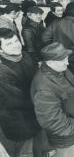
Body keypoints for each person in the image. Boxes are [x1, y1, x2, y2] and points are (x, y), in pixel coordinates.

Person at [31, 42, 74, 157]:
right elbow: (51, 120)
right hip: (66, 135)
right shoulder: (43, 87)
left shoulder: (59, 69)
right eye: (63, 60)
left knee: (73, 151)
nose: (67, 62)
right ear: (50, 62)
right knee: (68, 153)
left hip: (73, 126)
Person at [0, 28, 42, 157]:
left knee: (36, 145)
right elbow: (16, 100)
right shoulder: (2, 72)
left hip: (35, 111)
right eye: (9, 44)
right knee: (23, 149)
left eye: (16, 40)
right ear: (0, 50)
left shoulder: (25, 56)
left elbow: (38, 76)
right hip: (19, 119)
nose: (15, 45)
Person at [42, 2, 74, 100]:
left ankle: (68, 101)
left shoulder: (55, 23)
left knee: (63, 81)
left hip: (59, 58)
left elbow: (44, 38)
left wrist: (56, 48)